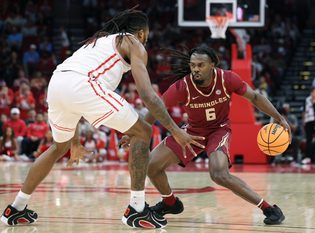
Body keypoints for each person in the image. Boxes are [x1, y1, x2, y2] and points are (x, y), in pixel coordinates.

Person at [1, 8, 204, 229]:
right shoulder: (133, 42)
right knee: (144, 131)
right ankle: (136, 210)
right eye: (147, 34)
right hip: (83, 84)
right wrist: (175, 130)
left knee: (59, 148)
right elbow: (148, 95)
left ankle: (16, 208)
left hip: (57, 82)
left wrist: (75, 142)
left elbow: (73, 94)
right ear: (142, 33)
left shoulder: (98, 42)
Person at [120, 46, 291, 225]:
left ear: (213, 65)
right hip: (193, 131)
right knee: (151, 166)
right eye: (193, 65)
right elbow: (155, 109)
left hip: (219, 130)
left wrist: (279, 118)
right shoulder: (182, 86)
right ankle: (170, 203)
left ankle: (269, 209)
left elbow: (255, 97)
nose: (195, 69)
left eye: (201, 65)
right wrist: (134, 132)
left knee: (218, 174)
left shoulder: (227, 78)